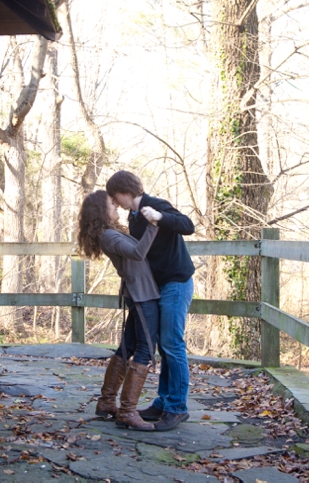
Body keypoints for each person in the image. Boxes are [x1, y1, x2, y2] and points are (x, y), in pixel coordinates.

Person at [106, 170, 195, 432]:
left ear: (124, 192)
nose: (116, 203)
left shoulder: (154, 205)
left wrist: (161, 217)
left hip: (176, 282)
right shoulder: (134, 219)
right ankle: (164, 401)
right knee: (165, 345)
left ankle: (177, 407)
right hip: (158, 287)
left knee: (172, 343)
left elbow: (188, 225)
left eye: (116, 197)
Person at [77, 189, 163, 431]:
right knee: (145, 348)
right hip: (142, 296)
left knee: (128, 346)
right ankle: (126, 411)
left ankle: (106, 402)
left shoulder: (111, 233)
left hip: (139, 293)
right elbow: (137, 253)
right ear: (100, 211)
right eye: (111, 205)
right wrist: (154, 225)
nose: (115, 207)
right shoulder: (108, 236)